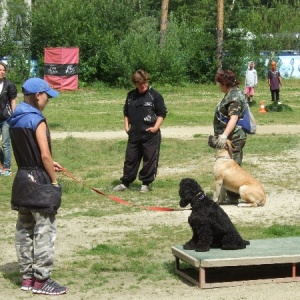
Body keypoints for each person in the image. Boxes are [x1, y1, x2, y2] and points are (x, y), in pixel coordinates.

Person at [7, 78, 67, 295]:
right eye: (47, 96)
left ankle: (27, 278)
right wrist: (53, 181)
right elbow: (43, 154)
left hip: (22, 180)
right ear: (37, 95)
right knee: (44, 230)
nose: (48, 100)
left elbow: (31, 153)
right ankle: (42, 280)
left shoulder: (15, 119)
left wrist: (50, 162)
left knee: (24, 230)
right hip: (39, 181)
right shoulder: (37, 120)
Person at [113, 69, 168, 193]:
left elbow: (162, 113)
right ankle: (125, 183)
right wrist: (126, 126)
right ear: (135, 83)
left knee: (149, 159)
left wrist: (155, 128)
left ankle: (145, 183)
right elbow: (126, 112)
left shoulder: (155, 95)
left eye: (145, 82)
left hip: (150, 134)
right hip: (134, 133)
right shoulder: (131, 95)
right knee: (130, 159)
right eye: (140, 83)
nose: (143, 85)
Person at [213, 69, 247, 205]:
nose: (218, 86)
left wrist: (224, 135)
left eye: (219, 83)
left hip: (234, 138)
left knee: (233, 166)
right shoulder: (232, 93)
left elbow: (233, 118)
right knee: (228, 166)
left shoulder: (234, 97)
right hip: (231, 137)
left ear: (224, 83)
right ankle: (229, 194)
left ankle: (233, 196)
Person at [0, 61, 17, 176]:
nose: (1, 72)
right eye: (0, 70)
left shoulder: (9, 85)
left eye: (3, 70)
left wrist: (14, 117)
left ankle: (7, 167)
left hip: (6, 118)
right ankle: (2, 164)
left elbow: (13, 101)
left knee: (5, 143)